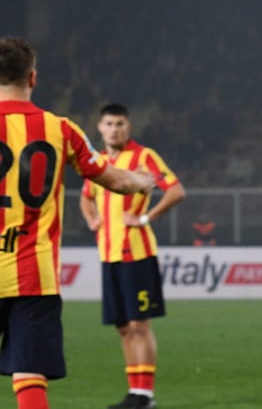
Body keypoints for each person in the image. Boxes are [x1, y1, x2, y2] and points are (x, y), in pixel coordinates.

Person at [0, 38, 154, 409]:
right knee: (30, 375)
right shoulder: (60, 129)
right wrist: (142, 181)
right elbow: (114, 179)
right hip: (34, 276)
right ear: (33, 78)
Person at [79, 103, 186, 409]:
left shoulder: (144, 157)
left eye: (120, 124)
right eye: (109, 124)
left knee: (139, 325)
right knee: (123, 327)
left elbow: (175, 191)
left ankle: (145, 395)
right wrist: (91, 218)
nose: (114, 130)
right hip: (108, 254)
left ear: (128, 127)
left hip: (137, 254)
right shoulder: (98, 161)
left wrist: (144, 218)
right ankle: (134, 391)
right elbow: (86, 198)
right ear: (100, 128)